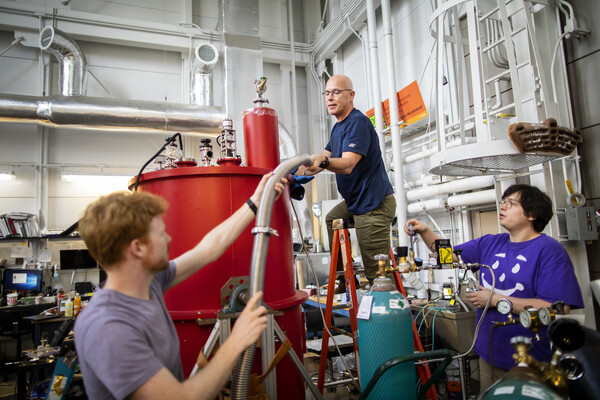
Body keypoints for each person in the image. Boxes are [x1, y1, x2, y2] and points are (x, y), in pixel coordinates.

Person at [74, 173, 287, 400]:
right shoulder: (108, 326)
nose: (168, 239)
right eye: (161, 233)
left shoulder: (150, 281)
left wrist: (255, 202)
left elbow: (208, 249)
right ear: (138, 248)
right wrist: (236, 341)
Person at [404, 184, 583, 391]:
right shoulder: (491, 243)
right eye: (502, 202)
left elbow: (554, 307)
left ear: (532, 214)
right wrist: (425, 230)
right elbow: (448, 254)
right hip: (488, 353)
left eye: (511, 203)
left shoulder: (549, 250)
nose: (503, 207)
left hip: (529, 359)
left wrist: (496, 299)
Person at [299, 75, 396, 291]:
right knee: (332, 219)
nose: (330, 98)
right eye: (326, 93)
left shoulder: (358, 122)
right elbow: (317, 164)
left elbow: (348, 163)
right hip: (356, 202)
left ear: (351, 95)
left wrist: (323, 161)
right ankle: (344, 277)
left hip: (374, 205)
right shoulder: (338, 128)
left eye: (336, 92)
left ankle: (386, 317)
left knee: (377, 277)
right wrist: (292, 172)